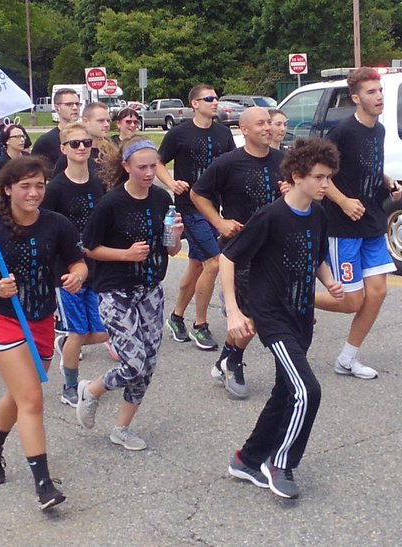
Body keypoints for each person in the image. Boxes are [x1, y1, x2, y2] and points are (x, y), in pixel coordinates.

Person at [222, 138, 344, 499]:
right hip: (273, 318)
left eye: (328, 177)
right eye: (319, 177)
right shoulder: (270, 216)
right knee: (307, 390)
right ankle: (280, 463)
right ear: (297, 176)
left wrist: (329, 281)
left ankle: (247, 459)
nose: (325, 184)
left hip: (301, 316)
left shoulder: (318, 214)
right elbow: (229, 258)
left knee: (285, 391)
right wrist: (233, 311)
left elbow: (316, 258)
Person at [0, 156, 87, 512]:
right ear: (7, 189)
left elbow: (77, 261)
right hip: (3, 319)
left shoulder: (57, 224)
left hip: (42, 319)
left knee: (21, 394)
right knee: (32, 399)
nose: (34, 193)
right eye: (25, 186)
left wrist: (77, 276)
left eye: (39, 186)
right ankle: (44, 485)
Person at [76, 136, 184, 451]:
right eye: (142, 167)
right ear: (126, 166)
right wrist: (125, 254)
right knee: (134, 362)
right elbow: (89, 248)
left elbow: (171, 248)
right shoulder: (111, 203)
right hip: (116, 289)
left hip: (150, 288)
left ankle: (121, 428)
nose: (149, 173)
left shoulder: (162, 199)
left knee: (148, 362)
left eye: (153, 166)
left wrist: (175, 237)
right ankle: (92, 390)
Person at [313, 67, 402, 381]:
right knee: (352, 301)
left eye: (380, 91)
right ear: (355, 98)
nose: (378, 97)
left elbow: (368, 167)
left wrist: (386, 180)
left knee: (377, 293)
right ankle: (293, 298)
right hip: (343, 228)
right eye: (370, 92)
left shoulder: (379, 130)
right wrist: (342, 201)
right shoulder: (342, 133)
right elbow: (319, 174)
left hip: (372, 222)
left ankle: (347, 358)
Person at [191, 107, 285, 397]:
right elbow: (197, 193)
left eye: (269, 123)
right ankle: (232, 362)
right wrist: (219, 222)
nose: (268, 128)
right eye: (261, 123)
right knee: (255, 312)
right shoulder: (228, 163)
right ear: (244, 130)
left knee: (258, 313)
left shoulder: (282, 160)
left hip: (274, 248)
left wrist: (290, 192)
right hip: (240, 251)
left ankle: (225, 361)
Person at [157, 83, 235, 352]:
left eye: (216, 98)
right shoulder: (179, 133)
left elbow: (230, 168)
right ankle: (200, 324)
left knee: (196, 266)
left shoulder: (223, 133)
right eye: (209, 98)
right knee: (212, 262)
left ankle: (176, 316)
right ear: (195, 104)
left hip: (213, 208)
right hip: (189, 207)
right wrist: (171, 182)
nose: (215, 102)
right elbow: (158, 162)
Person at [41, 123, 113, 406]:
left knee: (104, 330)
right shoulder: (55, 189)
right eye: (74, 143)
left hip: (97, 267)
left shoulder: (99, 182)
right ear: (63, 149)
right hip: (67, 271)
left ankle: (65, 343)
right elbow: (46, 231)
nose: (81, 147)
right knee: (79, 331)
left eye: (85, 142)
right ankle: (70, 386)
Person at [31, 87, 83, 170]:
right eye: (69, 104)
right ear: (57, 108)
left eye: (77, 104)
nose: (75, 108)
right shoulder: (45, 142)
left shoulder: (86, 139)